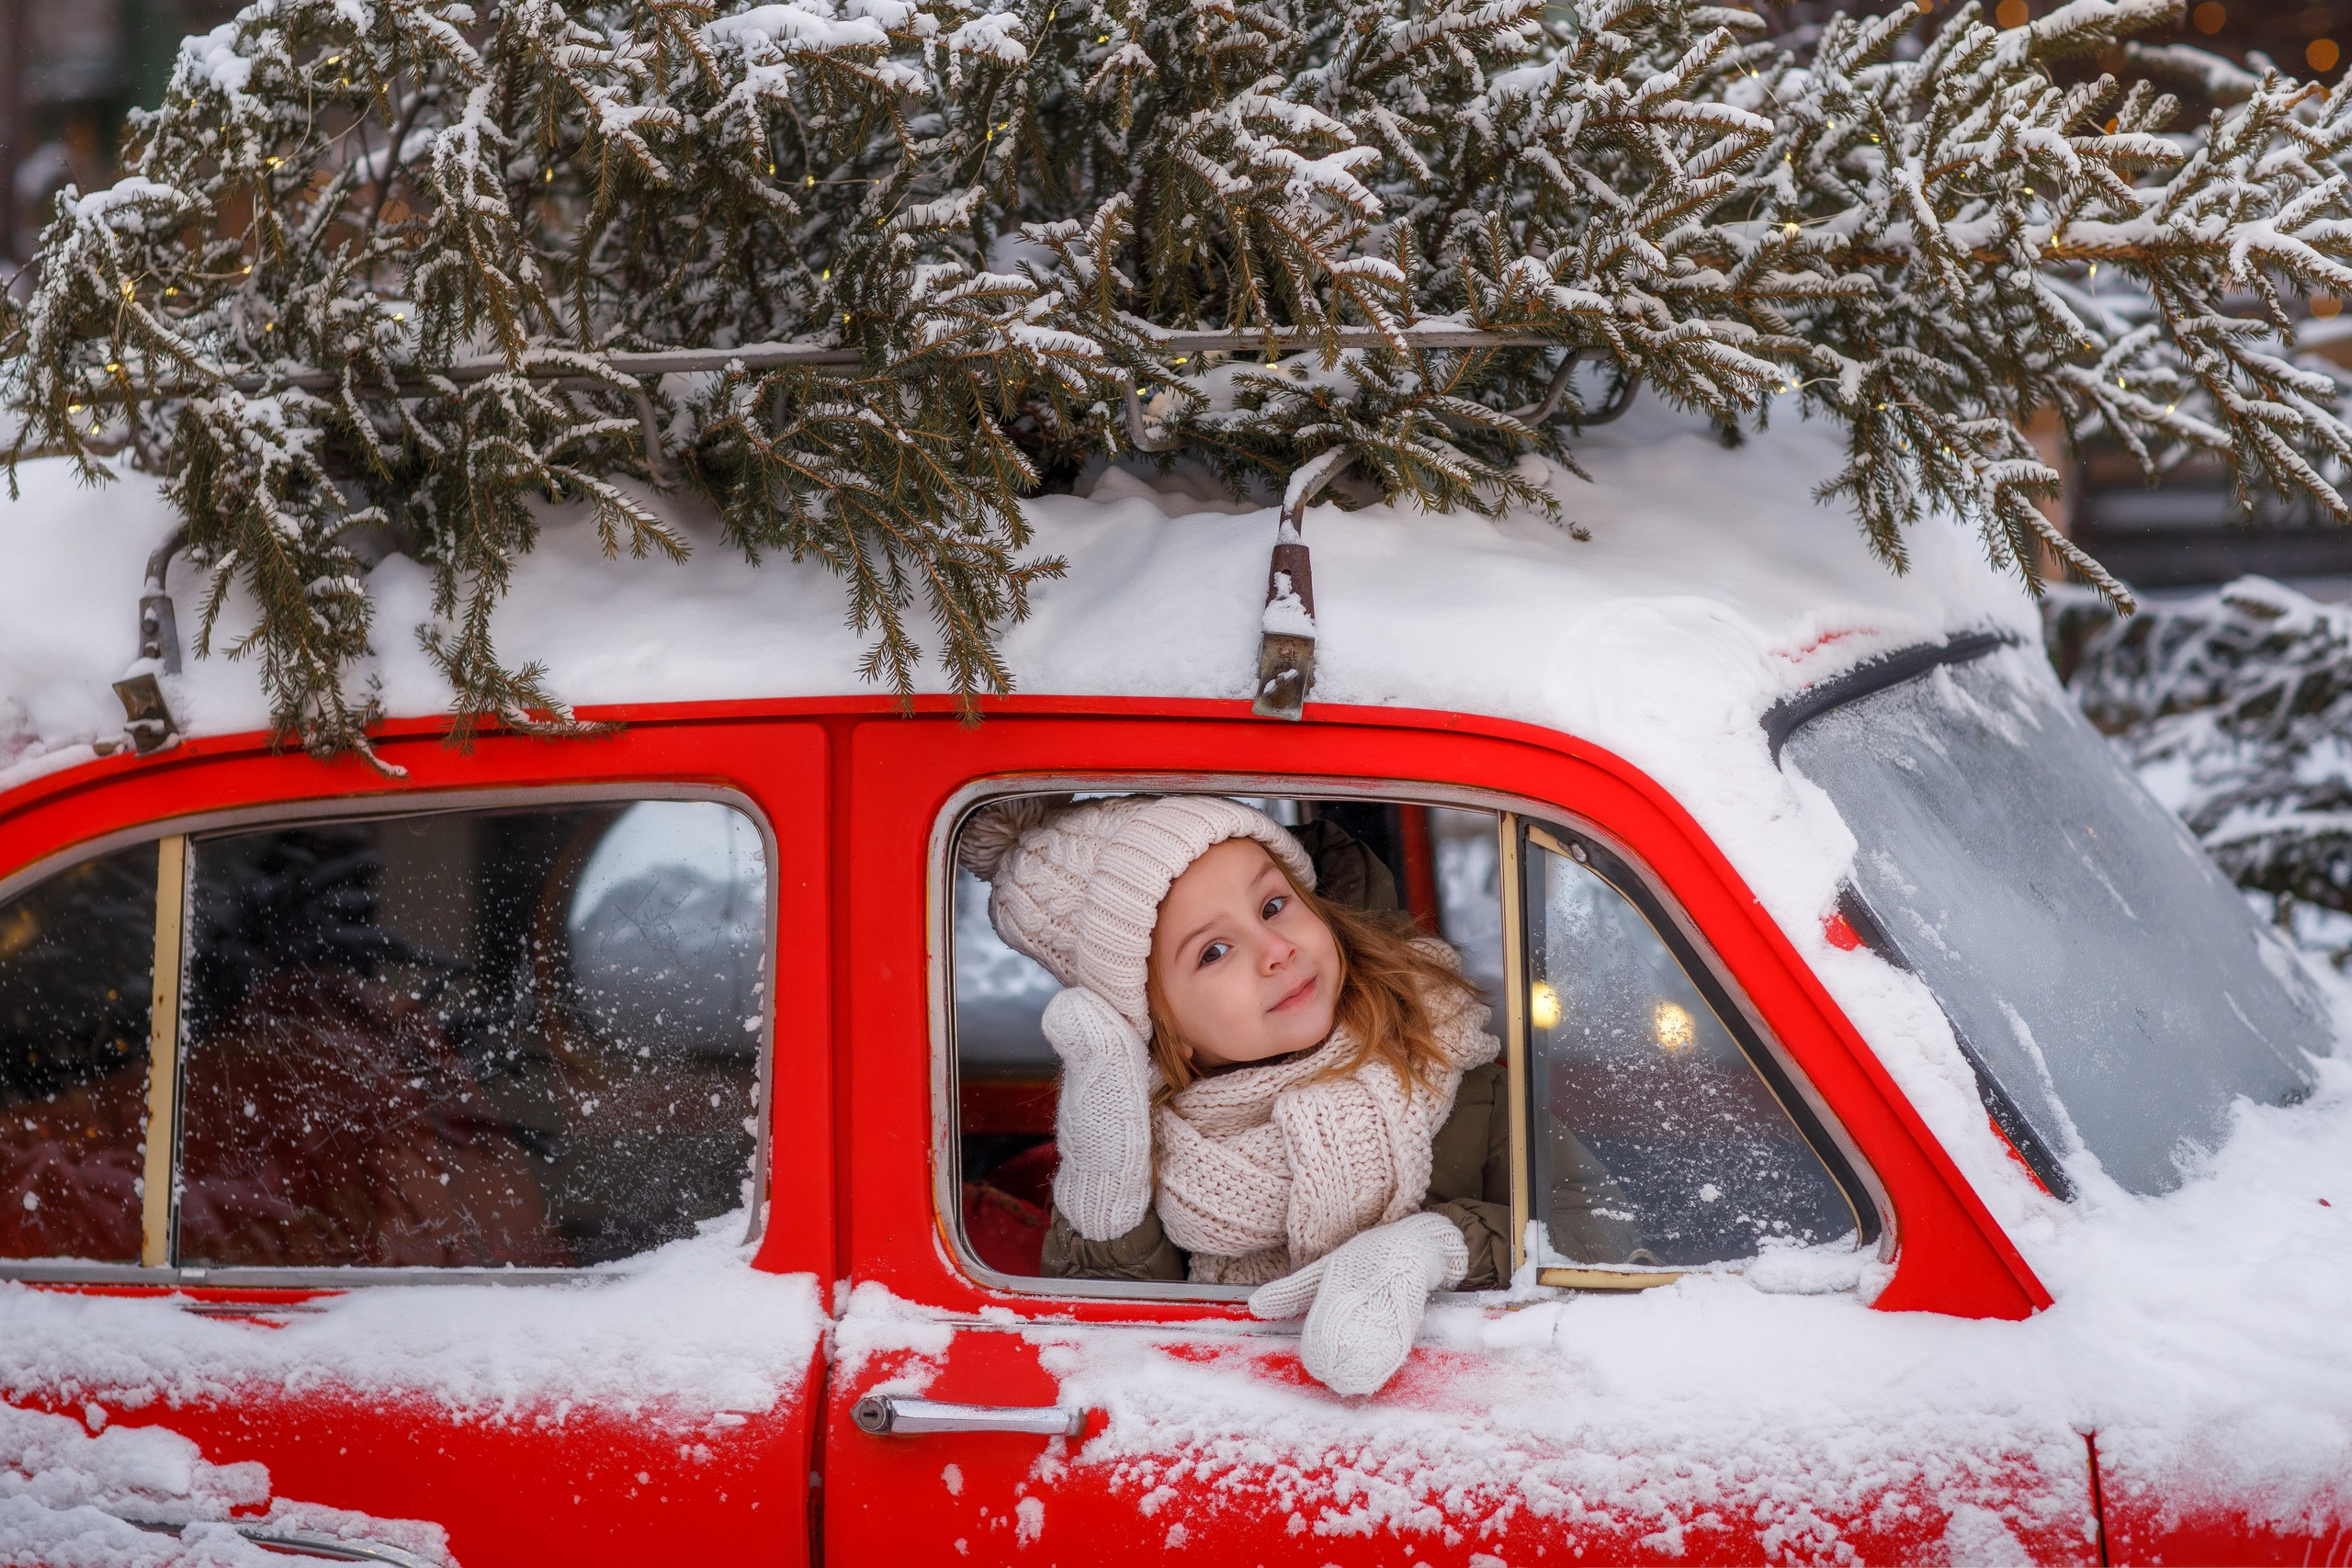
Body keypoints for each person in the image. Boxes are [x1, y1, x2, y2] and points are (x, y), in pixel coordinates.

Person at [957, 794, 1510, 1395]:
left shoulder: (1446, 1062)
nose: (1276, 951)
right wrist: (1106, 1179)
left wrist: (1438, 1247)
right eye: (1213, 952)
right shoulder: (1158, 1164)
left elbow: (1594, 1237)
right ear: (1163, 1028)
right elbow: (1109, 1357)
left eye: (1274, 905)